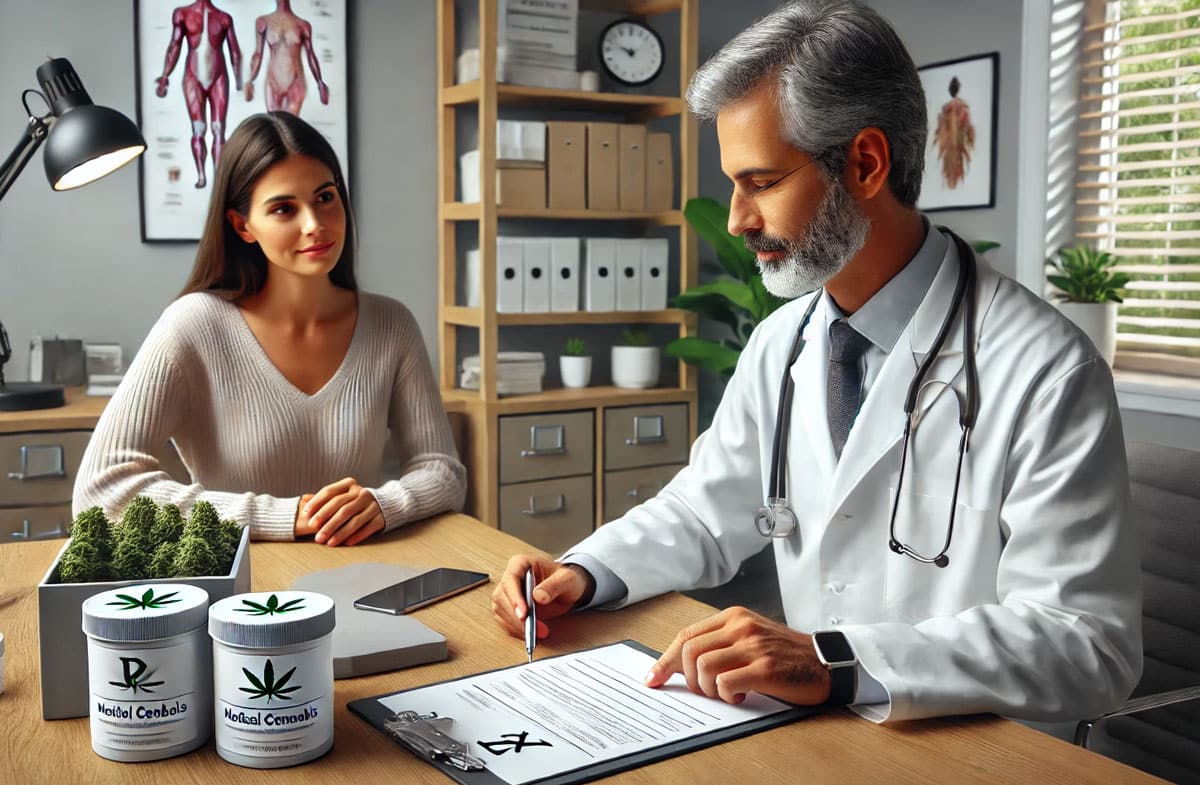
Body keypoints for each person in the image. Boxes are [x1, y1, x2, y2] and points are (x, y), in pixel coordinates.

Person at [492, 0, 1142, 723]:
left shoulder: (1045, 369)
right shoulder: (785, 342)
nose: (737, 219)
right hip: (818, 737)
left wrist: (836, 659)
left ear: (864, 163)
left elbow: (1090, 645)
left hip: (981, 756)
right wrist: (582, 572)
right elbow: (706, 510)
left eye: (761, 182)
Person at [74, 111, 466, 546]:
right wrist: (285, 516)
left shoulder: (392, 325)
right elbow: (99, 493)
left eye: (325, 197)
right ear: (243, 226)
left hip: (361, 581)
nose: (314, 224)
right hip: (241, 595)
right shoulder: (192, 326)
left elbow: (443, 472)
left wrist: (384, 504)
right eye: (284, 208)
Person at [154, 0, 243, 189]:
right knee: (199, 130)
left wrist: (239, 81)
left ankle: (217, 179)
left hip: (217, 77)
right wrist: (164, 75)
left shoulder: (224, 18)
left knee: (218, 130)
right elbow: (174, 46)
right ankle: (202, 176)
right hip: (193, 78)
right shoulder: (183, 14)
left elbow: (235, 51)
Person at [244, 0, 330, 115]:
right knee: (274, 125)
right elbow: (258, 53)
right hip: (273, 80)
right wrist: (250, 80)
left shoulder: (302, 25)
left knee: (292, 126)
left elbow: (311, 56)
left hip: (295, 80)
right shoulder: (264, 22)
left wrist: (320, 82)